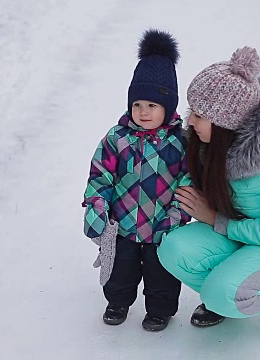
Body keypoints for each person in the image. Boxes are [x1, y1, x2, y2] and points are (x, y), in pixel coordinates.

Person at [157, 46, 260, 343]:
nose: (190, 121)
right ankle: (227, 294)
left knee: (223, 294)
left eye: (198, 114)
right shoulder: (207, 143)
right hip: (240, 232)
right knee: (172, 249)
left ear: (224, 122)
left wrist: (214, 219)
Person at [82, 29, 191, 332]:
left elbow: (188, 181)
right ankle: (117, 302)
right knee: (120, 269)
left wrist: (176, 216)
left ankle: (159, 310)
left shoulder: (180, 143)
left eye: (152, 106)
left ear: (168, 108)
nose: (143, 112)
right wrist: (97, 206)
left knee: (162, 273)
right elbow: (100, 173)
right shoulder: (117, 138)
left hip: (162, 227)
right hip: (123, 223)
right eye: (137, 105)